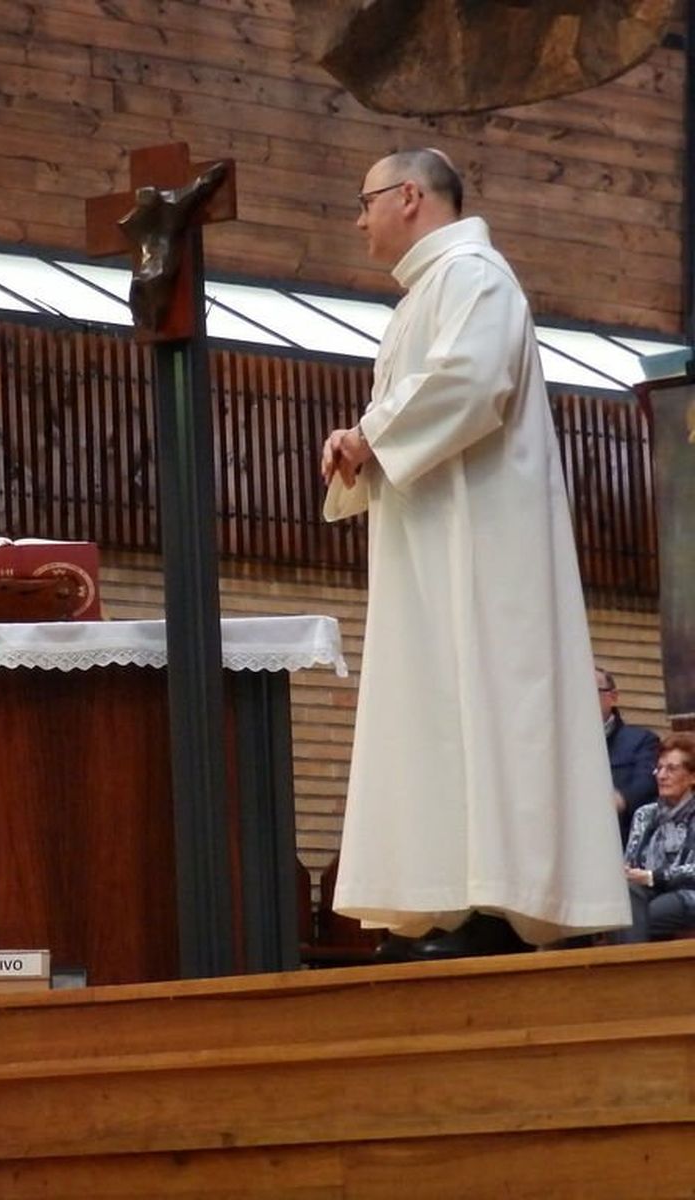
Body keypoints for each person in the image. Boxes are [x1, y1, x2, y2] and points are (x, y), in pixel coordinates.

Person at [321, 149, 629, 958]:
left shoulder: (475, 276)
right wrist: (366, 442)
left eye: (365, 201)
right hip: (432, 539)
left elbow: (471, 381)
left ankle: (499, 900)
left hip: (484, 549)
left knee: (485, 707)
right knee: (433, 707)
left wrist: (370, 436)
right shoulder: (432, 291)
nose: (358, 221)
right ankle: (441, 902)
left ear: (410, 197)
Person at [620, 734, 695, 941]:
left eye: (671, 769)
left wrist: (654, 876)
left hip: (688, 893)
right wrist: (630, 872)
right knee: (623, 903)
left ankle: (626, 971)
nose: (661, 775)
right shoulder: (645, 814)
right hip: (648, 891)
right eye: (659, 768)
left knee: (641, 918)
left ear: (692, 777)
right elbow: (631, 861)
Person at [599, 667, 660, 845]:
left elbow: (647, 784)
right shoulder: (563, 741)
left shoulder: (641, 740)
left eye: (593, 691)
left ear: (613, 696)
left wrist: (620, 799)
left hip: (620, 842)